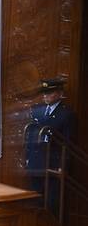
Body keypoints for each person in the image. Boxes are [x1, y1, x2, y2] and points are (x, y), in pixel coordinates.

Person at [25, 78, 75, 211]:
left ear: (60, 93)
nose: (45, 96)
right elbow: (31, 137)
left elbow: (68, 142)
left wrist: (62, 165)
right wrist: (27, 158)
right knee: (35, 199)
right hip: (36, 163)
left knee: (52, 202)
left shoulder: (66, 114)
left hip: (53, 164)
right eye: (44, 93)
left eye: (49, 93)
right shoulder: (38, 111)